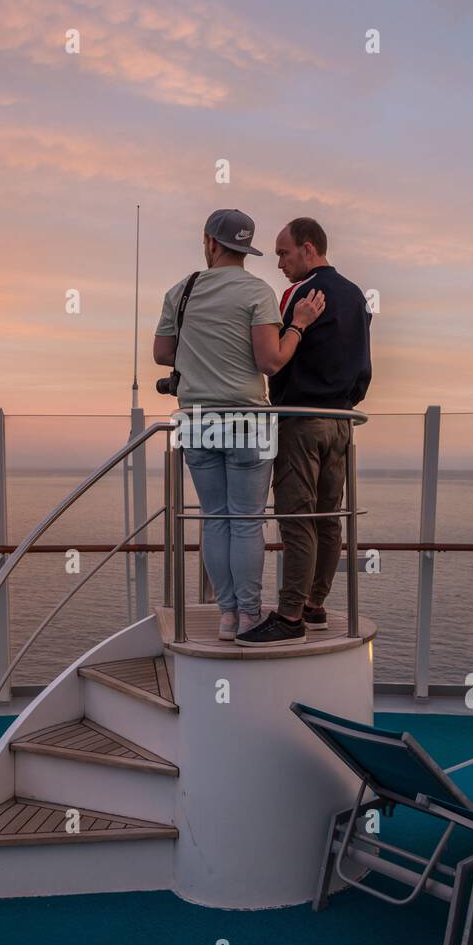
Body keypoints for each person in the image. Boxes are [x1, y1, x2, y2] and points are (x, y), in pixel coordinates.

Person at [153, 209, 325, 640]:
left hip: (197, 420)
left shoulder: (182, 291)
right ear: (245, 249)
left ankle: (226, 615)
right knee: (246, 521)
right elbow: (271, 361)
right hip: (248, 419)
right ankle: (249, 616)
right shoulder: (258, 292)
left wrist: (201, 354)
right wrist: (298, 326)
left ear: (210, 242)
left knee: (215, 518)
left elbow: (162, 353)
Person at [236, 216, 371, 646]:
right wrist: (345, 401)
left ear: (308, 248)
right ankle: (315, 607)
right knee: (330, 519)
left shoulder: (298, 294)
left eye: (283, 252)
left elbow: (277, 357)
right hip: (341, 424)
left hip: (300, 421)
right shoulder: (354, 296)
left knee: (297, 519)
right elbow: (363, 365)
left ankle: (290, 616)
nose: (279, 263)